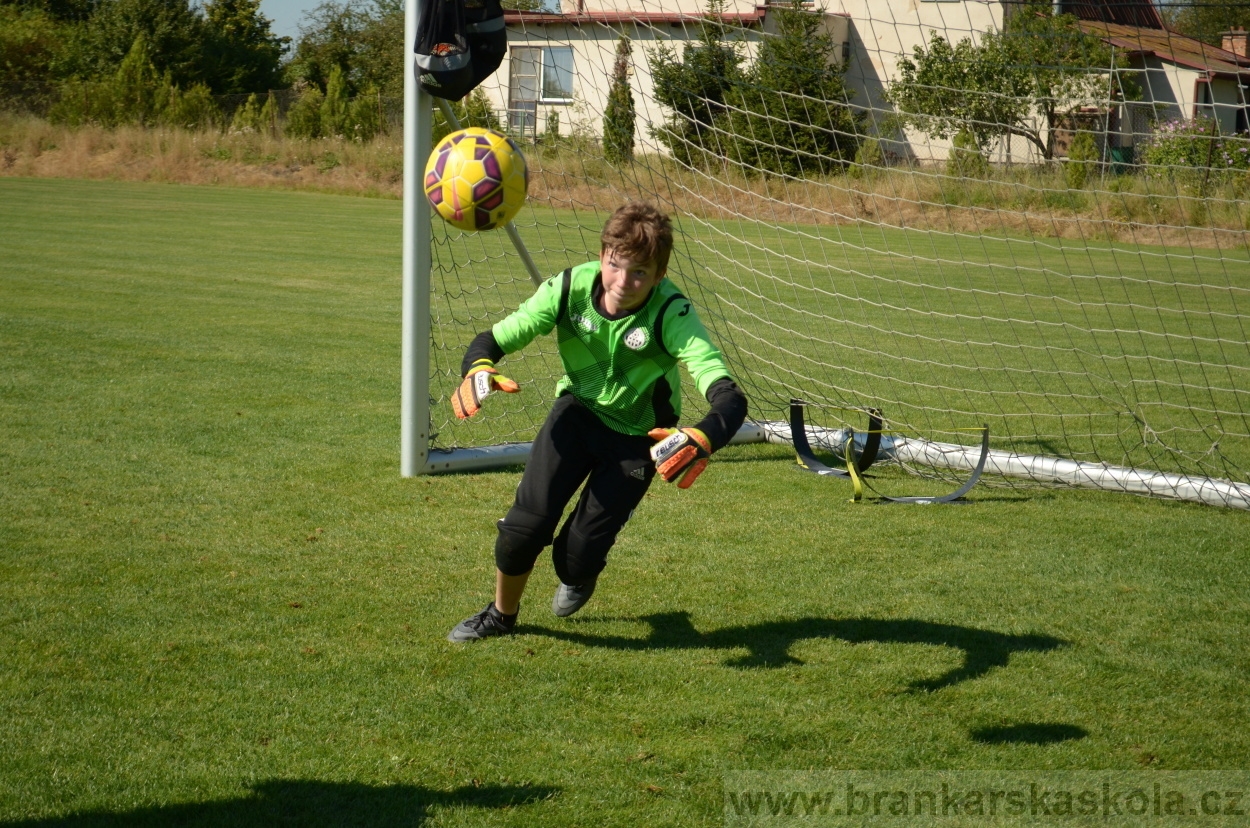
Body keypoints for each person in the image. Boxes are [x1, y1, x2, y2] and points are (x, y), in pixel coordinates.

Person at [446, 202, 748, 642]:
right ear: (603, 254)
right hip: (576, 415)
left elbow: (727, 394)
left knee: (576, 560)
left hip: (639, 437)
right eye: (615, 264)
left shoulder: (672, 312)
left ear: (659, 275)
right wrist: (478, 368)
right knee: (523, 529)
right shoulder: (569, 287)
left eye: (640, 272)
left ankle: (581, 570)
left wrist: (704, 435)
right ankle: (500, 616)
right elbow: (495, 337)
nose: (623, 282)